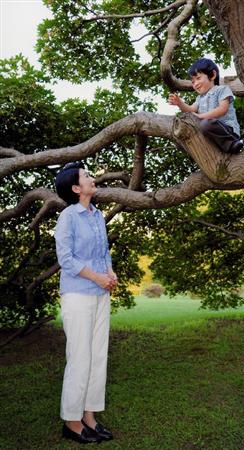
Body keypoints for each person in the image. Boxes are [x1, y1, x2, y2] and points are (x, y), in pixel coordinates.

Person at [54, 161, 117, 444]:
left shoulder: (97, 215)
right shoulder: (68, 216)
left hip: (101, 294)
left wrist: (110, 274)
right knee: (79, 358)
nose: (92, 178)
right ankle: (71, 421)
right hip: (78, 294)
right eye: (86, 176)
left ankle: (89, 417)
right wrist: (97, 277)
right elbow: (66, 259)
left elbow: (104, 252)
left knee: (98, 357)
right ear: (76, 188)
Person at [168, 57, 243, 154]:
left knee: (206, 124)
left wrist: (200, 117)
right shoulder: (199, 99)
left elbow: (222, 109)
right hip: (208, 132)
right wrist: (180, 103)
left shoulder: (222, 90)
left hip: (226, 130)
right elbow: (190, 110)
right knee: (188, 130)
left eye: (198, 78)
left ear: (212, 75)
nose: (195, 84)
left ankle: (232, 144)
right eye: (193, 81)